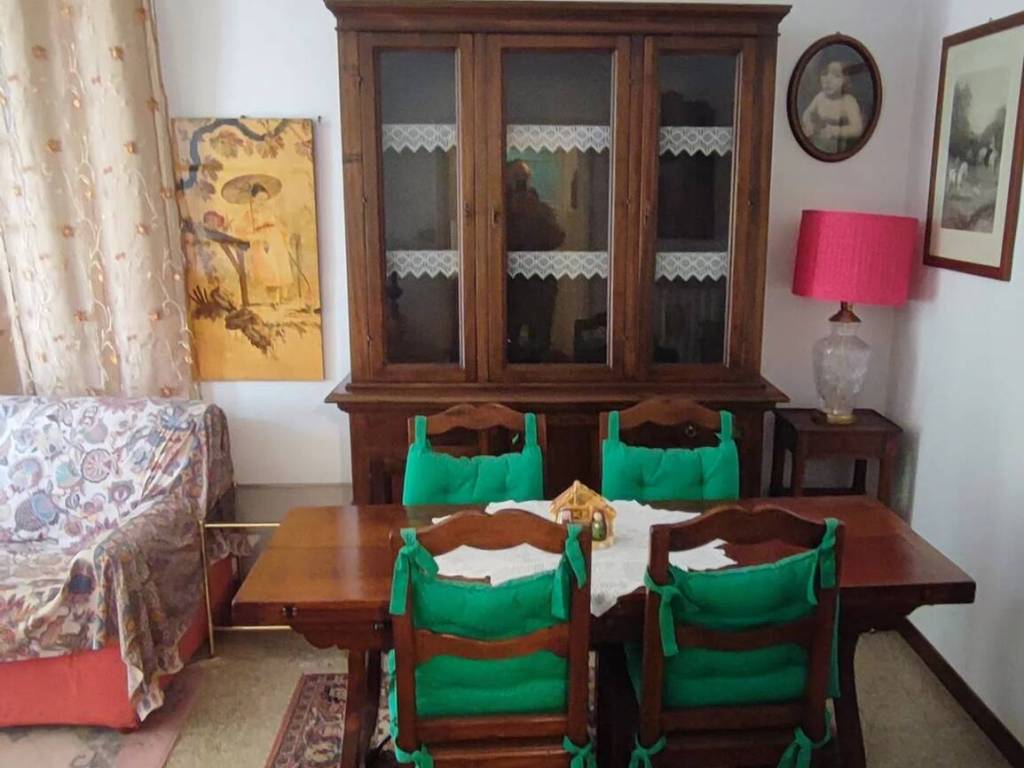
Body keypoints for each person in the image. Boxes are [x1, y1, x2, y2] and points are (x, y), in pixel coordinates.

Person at [800, 58, 865, 154]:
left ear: (845, 80)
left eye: (836, 76)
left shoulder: (848, 101)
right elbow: (807, 113)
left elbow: (857, 129)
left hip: (839, 149)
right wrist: (808, 124)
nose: (828, 80)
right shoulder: (820, 97)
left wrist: (835, 131)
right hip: (818, 145)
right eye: (825, 74)